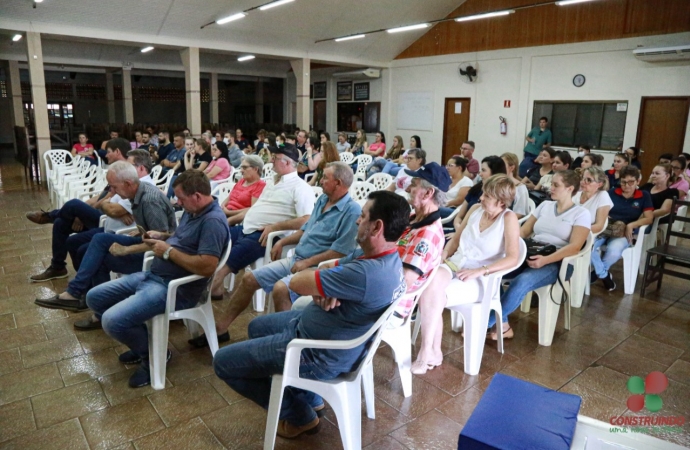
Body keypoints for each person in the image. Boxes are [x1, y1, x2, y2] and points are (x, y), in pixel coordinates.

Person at [212, 190, 409, 438]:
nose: (358, 221)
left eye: (363, 216)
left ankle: (300, 416)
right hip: (324, 332)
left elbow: (296, 283)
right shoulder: (382, 257)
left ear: (376, 226)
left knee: (223, 362)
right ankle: (311, 396)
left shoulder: (367, 273)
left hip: (317, 354)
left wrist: (319, 285)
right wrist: (324, 289)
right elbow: (329, 267)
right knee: (256, 328)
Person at [191, 162, 361, 348]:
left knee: (281, 289)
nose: (320, 180)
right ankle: (220, 329)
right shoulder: (322, 200)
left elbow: (340, 251)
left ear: (337, 183)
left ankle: (283, 343)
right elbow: (306, 230)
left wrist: (308, 263)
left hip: (318, 267)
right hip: (297, 259)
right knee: (249, 279)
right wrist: (282, 241)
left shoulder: (351, 212)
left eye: (325, 178)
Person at [87, 170, 229, 388]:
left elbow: (207, 267)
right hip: (156, 276)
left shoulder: (212, 222)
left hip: (177, 289)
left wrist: (167, 251)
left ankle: (152, 357)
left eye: (181, 199)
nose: (177, 202)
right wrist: (163, 237)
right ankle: (147, 345)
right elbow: (183, 241)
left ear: (197, 196)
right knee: (95, 298)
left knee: (112, 321)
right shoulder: (194, 212)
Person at [34, 159, 177, 324]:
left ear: (128, 183)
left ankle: (76, 294)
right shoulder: (137, 193)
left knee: (100, 241)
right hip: (144, 243)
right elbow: (153, 228)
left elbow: (161, 239)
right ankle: (95, 307)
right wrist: (139, 229)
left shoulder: (149, 199)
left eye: (114, 187)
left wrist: (126, 250)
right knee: (85, 248)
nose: (112, 192)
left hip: (154, 257)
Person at [412, 175, 521, 374]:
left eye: (487, 196)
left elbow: (513, 257)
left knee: (434, 294)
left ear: (501, 202)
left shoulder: (509, 218)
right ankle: (431, 350)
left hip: (481, 278)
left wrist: (481, 270)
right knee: (429, 282)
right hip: (456, 264)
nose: (480, 198)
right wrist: (443, 255)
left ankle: (428, 351)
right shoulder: (475, 210)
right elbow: (455, 241)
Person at [210, 144, 315, 303]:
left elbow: (307, 219)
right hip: (247, 227)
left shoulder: (301, 188)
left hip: (269, 235)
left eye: (275, 158)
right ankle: (215, 287)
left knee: (238, 251)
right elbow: (255, 208)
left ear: (287, 163)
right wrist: (229, 221)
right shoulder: (272, 182)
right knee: (214, 235)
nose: (271, 160)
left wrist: (275, 227)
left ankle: (210, 286)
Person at [493, 170, 590, 337]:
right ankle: (502, 324)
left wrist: (545, 260)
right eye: (551, 184)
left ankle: (486, 322)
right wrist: (509, 251)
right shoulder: (545, 206)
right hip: (532, 252)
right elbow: (523, 232)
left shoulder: (581, 213)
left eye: (556, 185)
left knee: (522, 281)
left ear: (570, 188)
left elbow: (575, 247)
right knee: (495, 273)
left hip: (557, 262)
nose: (550, 188)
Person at [26, 138, 133, 282]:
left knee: (74, 204)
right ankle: (58, 267)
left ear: (118, 152)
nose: (105, 155)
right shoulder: (115, 170)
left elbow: (106, 200)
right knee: (60, 223)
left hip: (104, 220)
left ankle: (48, 216)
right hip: (101, 213)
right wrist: (81, 212)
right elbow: (99, 196)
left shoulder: (125, 173)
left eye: (108, 152)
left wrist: (82, 212)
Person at [388, 162, 449, 324]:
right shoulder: (415, 218)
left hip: (390, 306)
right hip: (380, 290)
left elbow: (404, 282)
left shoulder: (427, 234)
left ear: (428, 193)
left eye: (414, 185)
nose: (408, 189)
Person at [591, 166, 653, 291]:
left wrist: (631, 225)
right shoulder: (611, 193)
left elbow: (648, 218)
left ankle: (597, 272)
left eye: (631, 182)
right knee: (587, 247)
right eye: (624, 182)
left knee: (614, 251)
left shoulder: (644, 196)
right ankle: (604, 275)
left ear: (637, 182)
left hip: (624, 232)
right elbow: (600, 210)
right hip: (606, 228)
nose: (627, 185)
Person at [453, 156, 508, 223]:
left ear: (494, 173)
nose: (480, 174)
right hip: (462, 229)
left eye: (483, 170)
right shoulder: (476, 189)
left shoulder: (501, 195)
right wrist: (458, 229)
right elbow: (458, 217)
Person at [222, 155, 267, 225]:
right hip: (225, 212)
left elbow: (252, 210)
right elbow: (229, 197)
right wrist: (222, 207)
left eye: (245, 167)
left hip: (237, 220)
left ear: (256, 169)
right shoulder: (242, 181)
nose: (241, 170)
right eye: (241, 167)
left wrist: (228, 212)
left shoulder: (260, 185)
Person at [573, 167, 613, 235]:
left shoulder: (603, 195)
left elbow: (599, 226)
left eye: (588, 180)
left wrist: (574, 231)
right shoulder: (575, 195)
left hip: (587, 236)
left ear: (599, 184)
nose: (582, 182)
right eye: (582, 178)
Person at [500, 152, 529, 220]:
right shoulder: (497, 184)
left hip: (508, 222)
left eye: (502, 165)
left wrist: (499, 222)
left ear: (512, 168)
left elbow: (519, 213)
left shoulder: (520, 188)